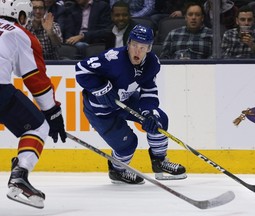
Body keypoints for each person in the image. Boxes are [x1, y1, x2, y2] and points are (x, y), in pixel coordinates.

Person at [75, 24, 186, 184]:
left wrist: (148, 112)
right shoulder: (112, 58)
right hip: (101, 111)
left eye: (143, 47)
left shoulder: (152, 63)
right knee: (127, 145)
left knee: (158, 120)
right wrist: (101, 88)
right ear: (128, 44)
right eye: (134, 45)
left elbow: (149, 90)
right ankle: (117, 171)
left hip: (125, 101)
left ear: (149, 48)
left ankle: (160, 162)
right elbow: (81, 70)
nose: (137, 51)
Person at [0, 0, 66, 208]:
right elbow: (35, 78)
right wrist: (52, 113)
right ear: (21, 16)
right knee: (38, 127)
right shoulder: (19, 33)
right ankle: (20, 174)